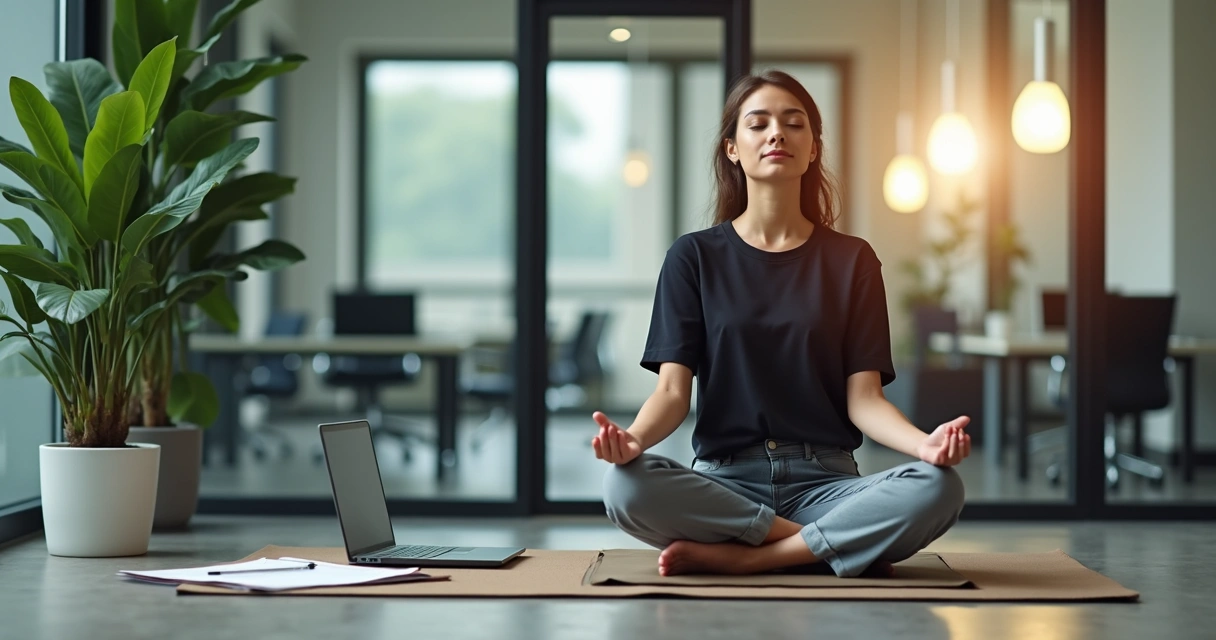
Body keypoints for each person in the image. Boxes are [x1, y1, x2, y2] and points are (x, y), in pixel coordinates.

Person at [591, 70, 970, 579]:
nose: (776, 134)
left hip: (827, 485)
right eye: (758, 123)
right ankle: (818, 547)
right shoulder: (693, 257)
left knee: (940, 486)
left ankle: (753, 557)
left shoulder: (852, 260)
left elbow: (865, 400)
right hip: (726, 486)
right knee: (623, 486)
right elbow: (672, 394)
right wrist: (633, 441)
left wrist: (925, 445)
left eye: (794, 124)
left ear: (812, 148)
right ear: (732, 148)